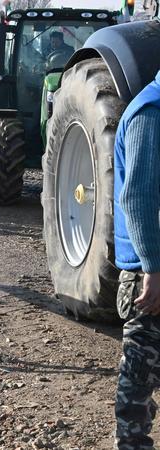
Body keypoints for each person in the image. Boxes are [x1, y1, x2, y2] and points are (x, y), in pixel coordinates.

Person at [113, 69, 160, 449]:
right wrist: (152, 267)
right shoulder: (150, 112)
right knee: (138, 380)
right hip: (148, 271)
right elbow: (137, 197)